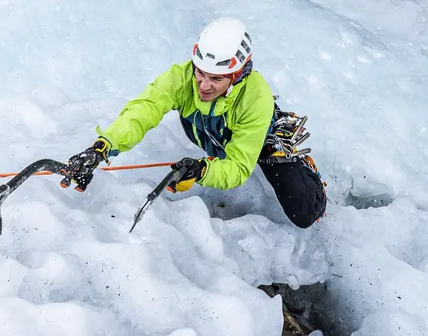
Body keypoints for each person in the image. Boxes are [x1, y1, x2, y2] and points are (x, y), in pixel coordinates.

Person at [61, 18, 326, 228]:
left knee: (304, 212)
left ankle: (307, 175)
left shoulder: (257, 98)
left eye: (216, 79)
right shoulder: (182, 77)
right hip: (209, 128)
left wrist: (202, 171)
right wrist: (103, 146)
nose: (203, 86)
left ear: (236, 76)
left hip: (261, 135)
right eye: (200, 73)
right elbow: (144, 110)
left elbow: (237, 168)